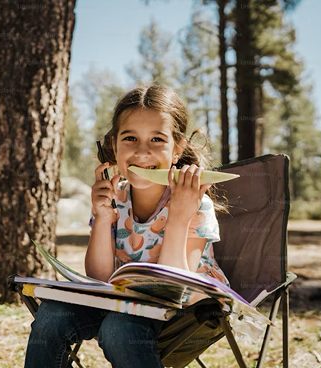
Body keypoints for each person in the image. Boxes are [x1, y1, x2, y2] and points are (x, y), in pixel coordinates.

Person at [24, 84, 230, 368]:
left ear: (177, 149)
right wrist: (102, 217)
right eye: (130, 138)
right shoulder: (115, 196)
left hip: (185, 311)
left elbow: (174, 288)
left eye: (157, 139)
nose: (142, 152)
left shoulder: (194, 202)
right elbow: (99, 277)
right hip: (123, 302)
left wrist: (180, 216)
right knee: (50, 317)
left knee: (118, 328)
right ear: (114, 146)